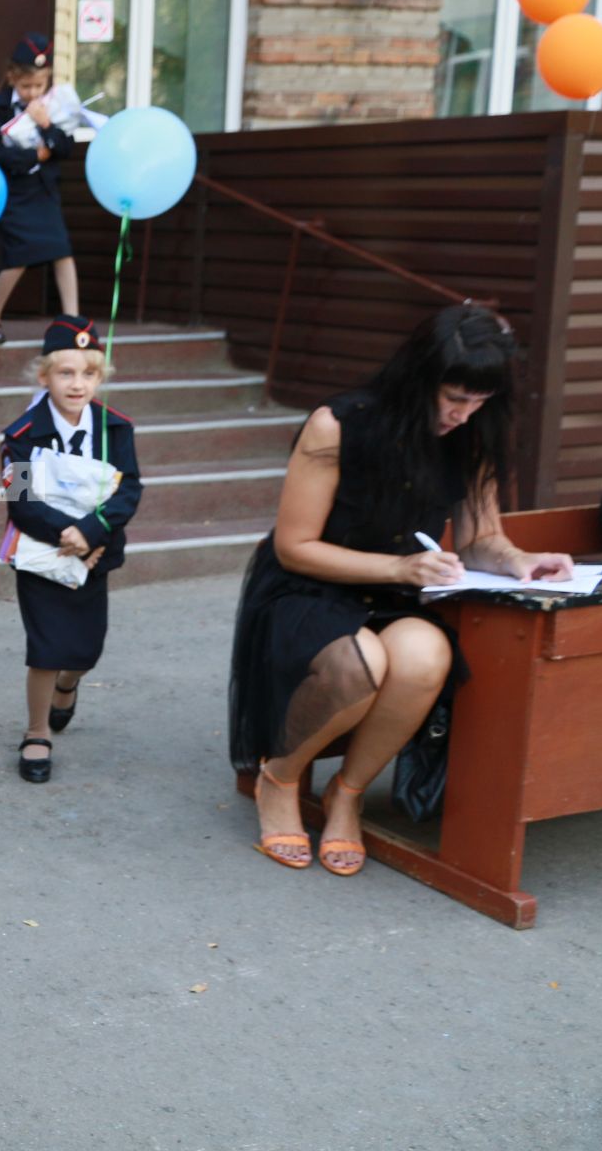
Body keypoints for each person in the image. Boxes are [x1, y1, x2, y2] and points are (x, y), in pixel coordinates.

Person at [230, 305, 574, 875]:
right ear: (420, 379)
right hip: (307, 587)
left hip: (395, 592)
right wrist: (401, 570)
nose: (464, 415)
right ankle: (280, 776)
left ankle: (348, 792)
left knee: (425, 657)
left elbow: (480, 537)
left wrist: (519, 560)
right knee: (360, 665)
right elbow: (295, 546)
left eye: (479, 403)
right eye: (454, 399)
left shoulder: (475, 432)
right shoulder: (337, 424)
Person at [0, 316, 143, 783]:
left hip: (94, 556)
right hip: (43, 555)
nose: (77, 384)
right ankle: (36, 731)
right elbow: (21, 502)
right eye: (65, 373)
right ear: (44, 376)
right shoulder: (21, 436)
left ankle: (69, 684)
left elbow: (128, 489)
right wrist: (72, 535)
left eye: (88, 373)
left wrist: (94, 532)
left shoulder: (115, 429)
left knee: (84, 651)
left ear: (100, 377)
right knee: (46, 646)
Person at [0, 33, 88, 346]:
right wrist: (35, 154)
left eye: (39, 85)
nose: (32, 92)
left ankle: (72, 320)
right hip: (15, 192)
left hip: (44, 190)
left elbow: (65, 146)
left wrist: (46, 125)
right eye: (26, 87)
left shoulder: (54, 105)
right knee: (18, 256)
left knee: (61, 251)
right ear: (12, 78)